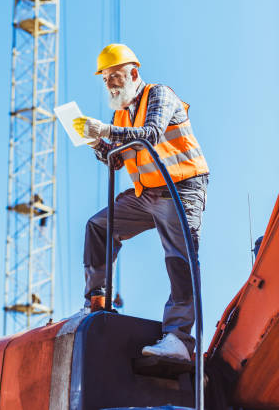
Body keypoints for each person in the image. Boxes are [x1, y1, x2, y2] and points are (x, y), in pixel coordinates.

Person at [72, 43, 209, 361]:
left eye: (115, 76)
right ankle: (97, 302)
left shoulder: (159, 94)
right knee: (98, 227)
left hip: (181, 188)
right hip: (147, 194)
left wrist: (106, 130)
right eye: (105, 79)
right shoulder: (120, 114)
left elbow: (150, 134)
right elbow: (116, 161)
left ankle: (179, 340)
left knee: (180, 258)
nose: (110, 84)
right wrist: (96, 142)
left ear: (133, 73)